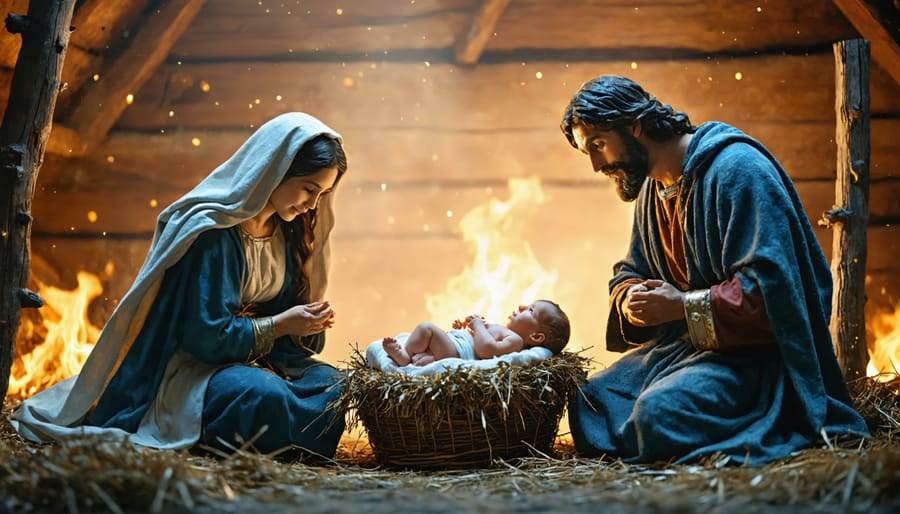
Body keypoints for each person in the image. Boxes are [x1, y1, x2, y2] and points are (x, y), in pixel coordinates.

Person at [559, 75, 869, 465]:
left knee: (659, 415)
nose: (595, 165)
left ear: (633, 126)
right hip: (682, 352)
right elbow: (630, 269)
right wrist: (629, 299)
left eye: (598, 145)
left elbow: (773, 291)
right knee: (590, 399)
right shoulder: (653, 191)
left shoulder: (738, 171)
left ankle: (738, 426)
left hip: (754, 361)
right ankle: (648, 433)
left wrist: (681, 306)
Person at [12, 112, 348, 460]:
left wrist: (310, 322)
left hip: (259, 360)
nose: (312, 204)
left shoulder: (288, 233)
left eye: (321, 195)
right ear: (277, 168)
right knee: (263, 396)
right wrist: (280, 325)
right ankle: (246, 434)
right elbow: (205, 337)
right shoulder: (214, 235)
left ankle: (280, 438)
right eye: (309, 189)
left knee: (333, 387)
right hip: (194, 368)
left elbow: (289, 325)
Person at [382, 300, 570, 366]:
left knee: (426, 328)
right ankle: (423, 358)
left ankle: (405, 356)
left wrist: (479, 326)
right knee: (427, 353)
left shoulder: (516, 341)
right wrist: (463, 329)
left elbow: (486, 350)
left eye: (530, 310)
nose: (522, 306)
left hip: (458, 353)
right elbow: (479, 340)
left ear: (536, 337)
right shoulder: (504, 330)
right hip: (455, 346)